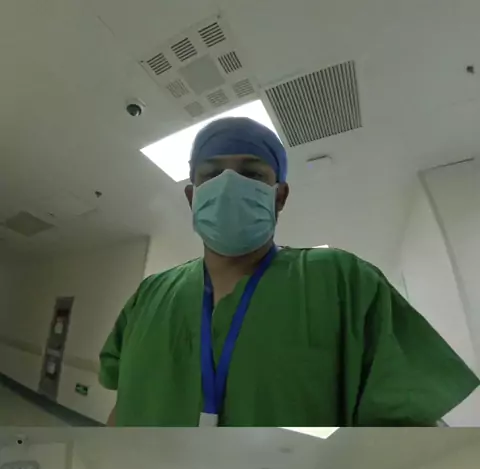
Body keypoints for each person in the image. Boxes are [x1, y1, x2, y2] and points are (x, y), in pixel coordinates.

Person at [99, 116, 478, 427]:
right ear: (191, 197)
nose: (228, 185)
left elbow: (409, 423)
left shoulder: (342, 280)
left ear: (279, 197)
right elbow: (123, 407)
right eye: (210, 175)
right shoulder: (150, 295)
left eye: (252, 174)